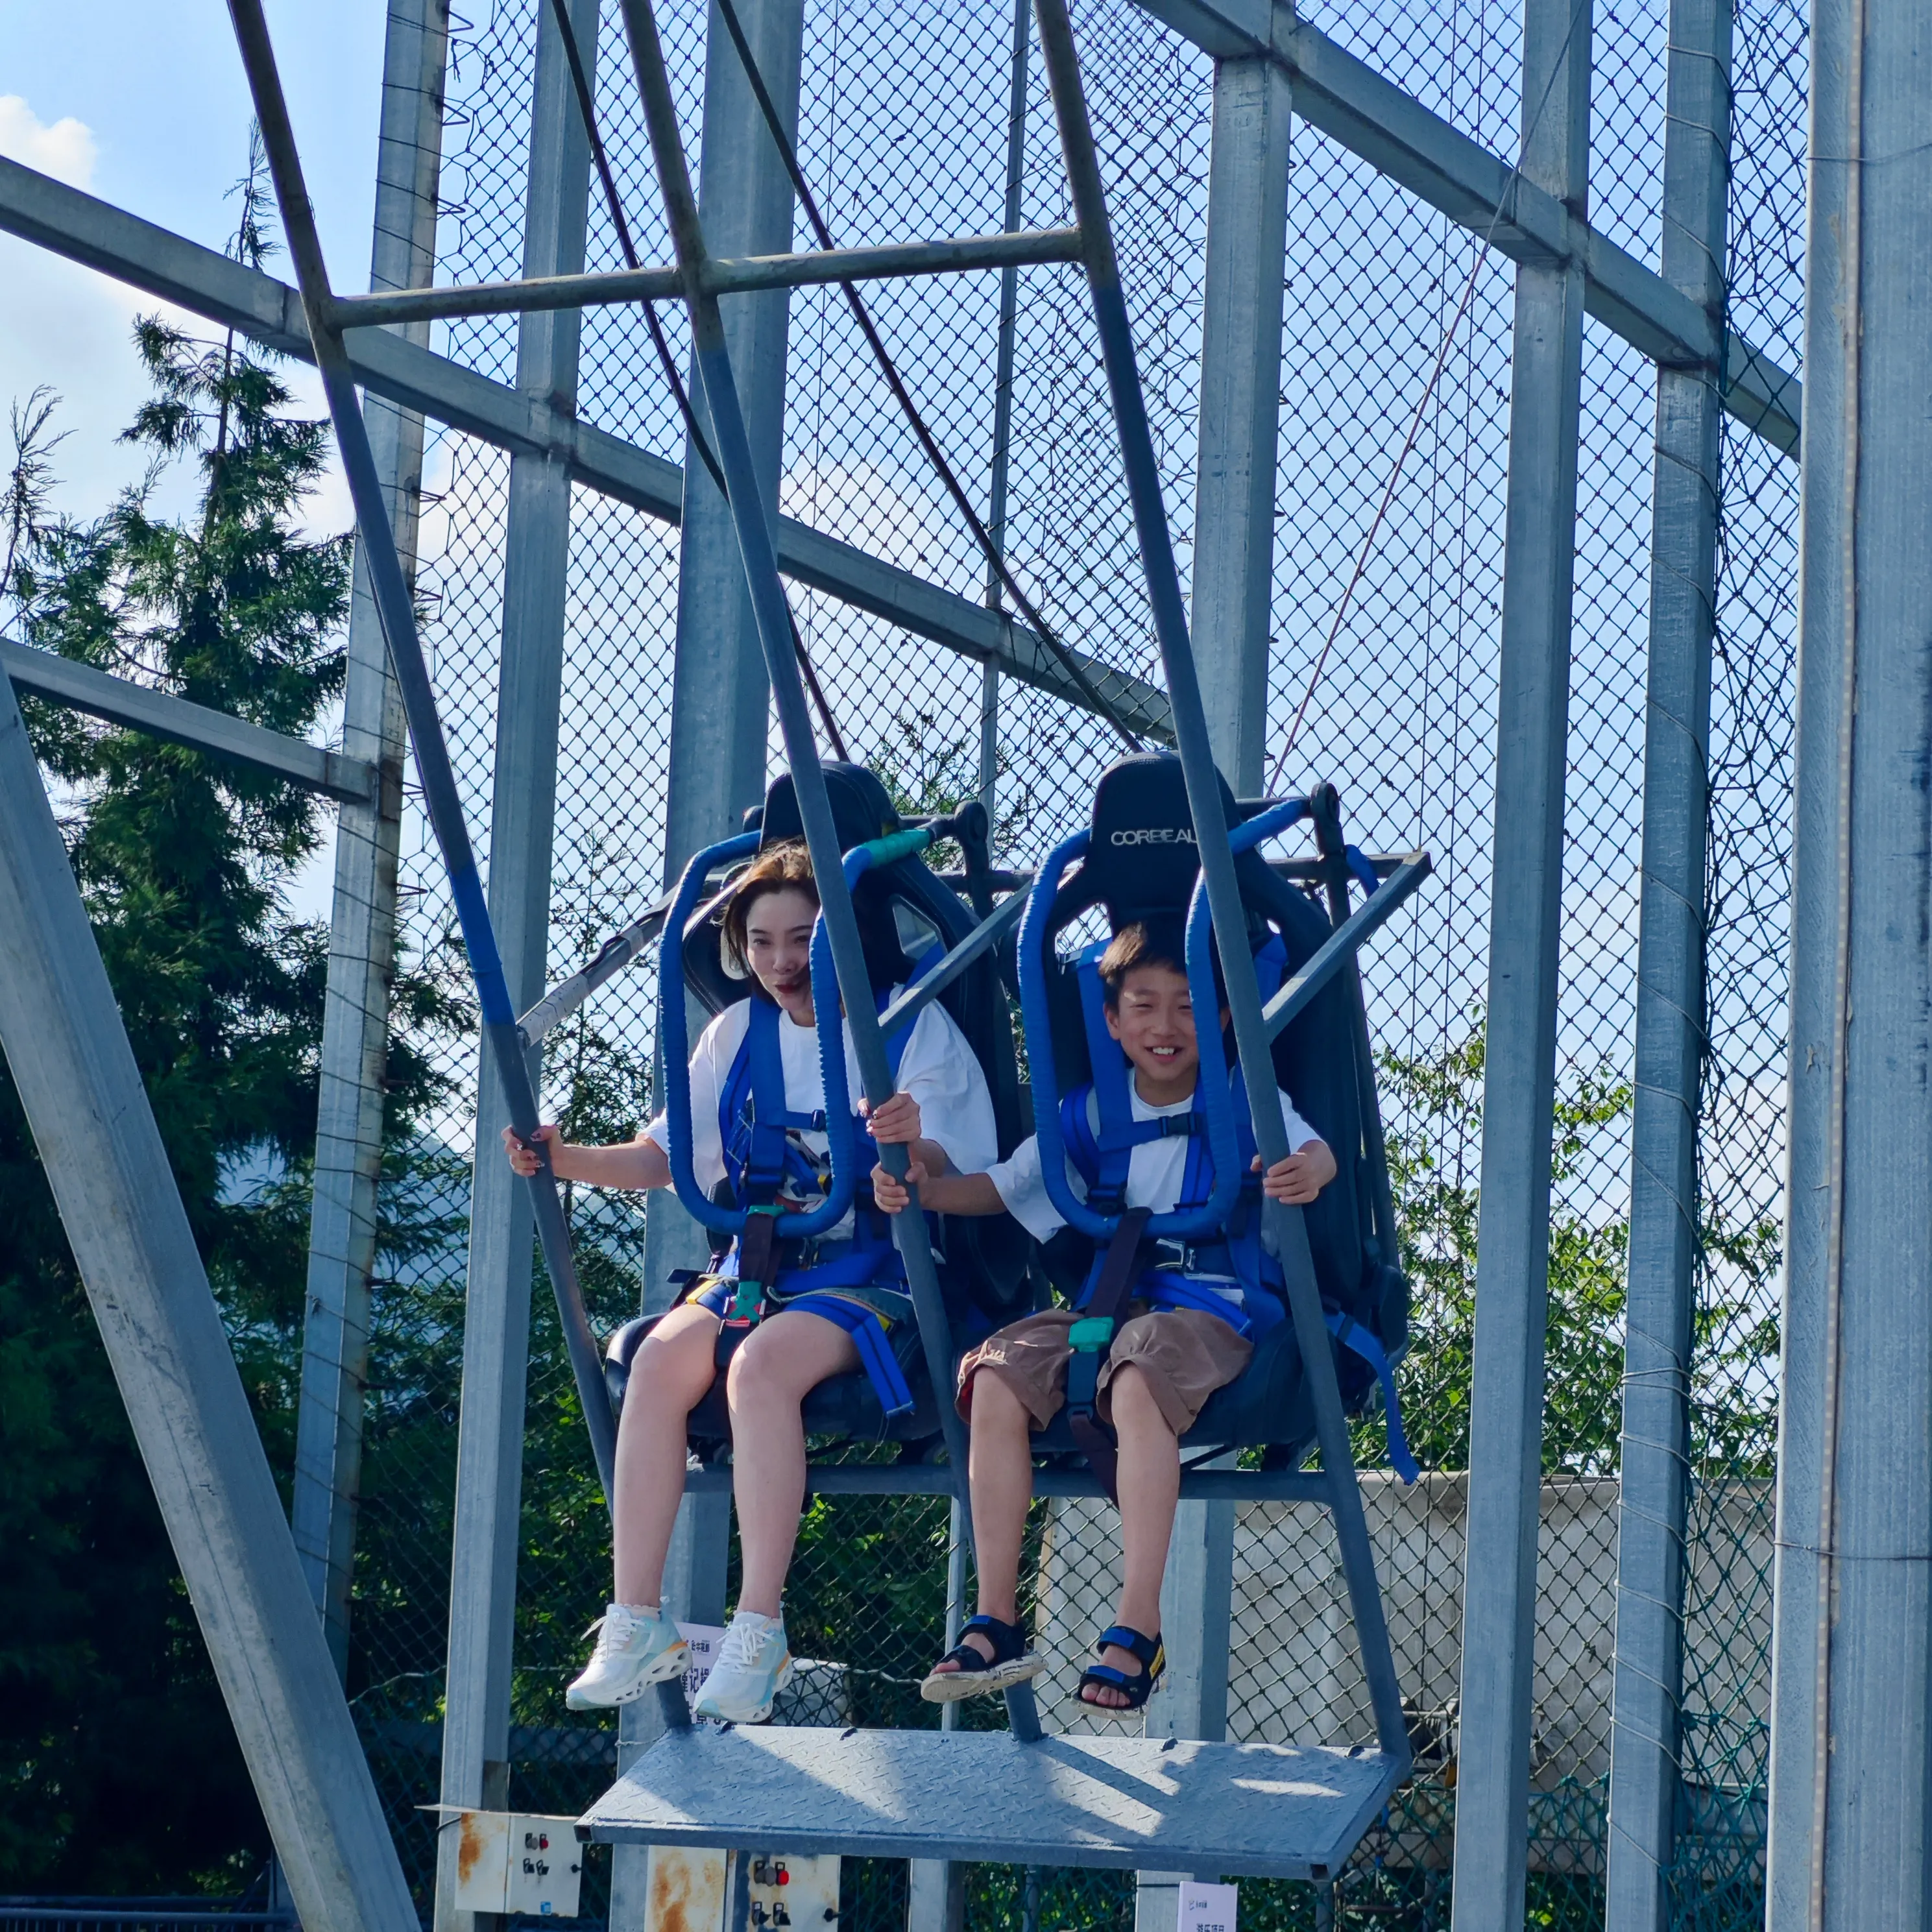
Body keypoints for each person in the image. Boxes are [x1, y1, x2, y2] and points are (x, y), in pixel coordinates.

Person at [506, 840, 997, 1722]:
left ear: (842, 939)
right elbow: (664, 1156)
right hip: (759, 1268)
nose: (781, 964)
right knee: (657, 1360)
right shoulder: (737, 1033)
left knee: (759, 1365)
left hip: (871, 1272)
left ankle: (758, 1623)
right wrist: (561, 1157)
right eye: (761, 942)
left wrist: (907, 1149)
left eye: (803, 939)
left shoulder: (907, 1024)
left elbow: (957, 1162)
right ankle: (634, 1615)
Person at [871, 921, 1336, 1716]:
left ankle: (1137, 1621)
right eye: (1143, 1006)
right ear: (1111, 1021)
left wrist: (1305, 1173)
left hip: (1209, 1308)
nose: (1164, 1026)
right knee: (995, 1372)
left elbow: (1315, 1151)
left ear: (1223, 1018)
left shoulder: (1243, 1100)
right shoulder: (1086, 1114)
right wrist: (924, 1191)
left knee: (1135, 1377)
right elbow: (1006, 1186)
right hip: (1106, 1306)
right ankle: (996, 1615)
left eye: (1187, 1007)